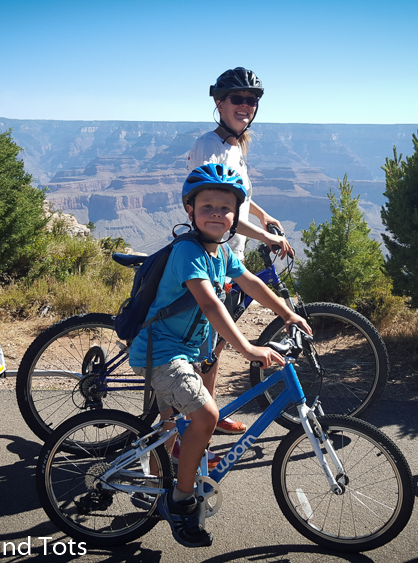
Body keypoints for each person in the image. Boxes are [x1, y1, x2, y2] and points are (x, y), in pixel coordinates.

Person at [128, 163, 311, 547]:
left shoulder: (221, 252)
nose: (216, 213)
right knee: (207, 414)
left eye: (225, 208)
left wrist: (288, 312)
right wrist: (247, 348)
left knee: (170, 426)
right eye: (207, 205)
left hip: (183, 351)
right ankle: (179, 502)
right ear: (189, 211)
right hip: (161, 353)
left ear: (234, 216)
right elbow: (211, 305)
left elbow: (250, 283)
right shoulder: (188, 252)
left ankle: (151, 484)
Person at [186, 66, 292, 436]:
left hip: (231, 254)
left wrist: (264, 216)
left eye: (252, 100)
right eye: (238, 99)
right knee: (207, 340)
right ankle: (194, 420)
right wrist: (270, 239)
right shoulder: (209, 146)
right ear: (219, 102)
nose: (245, 106)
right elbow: (216, 210)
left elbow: (238, 197)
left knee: (214, 344)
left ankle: (207, 415)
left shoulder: (234, 145)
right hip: (211, 255)